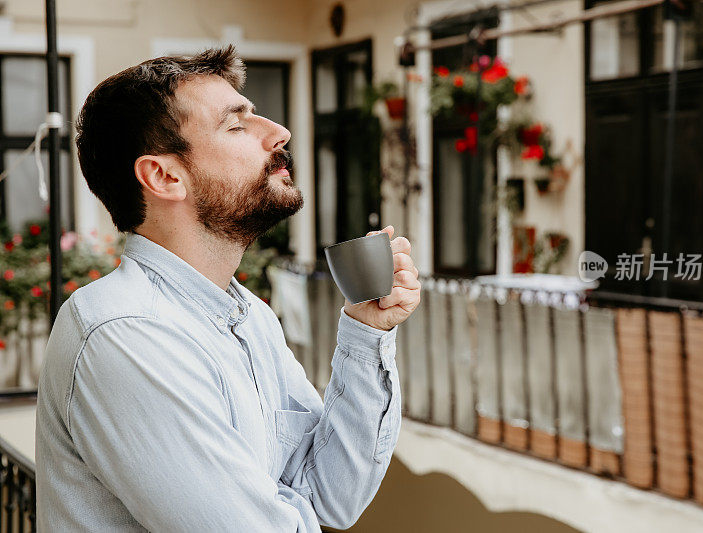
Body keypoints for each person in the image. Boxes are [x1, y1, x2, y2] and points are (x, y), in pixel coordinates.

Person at [35, 46, 421, 532]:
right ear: (164, 175)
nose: (279, 133)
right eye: (237, 124)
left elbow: (332, 496)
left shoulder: (249, 317)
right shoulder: (125, 332)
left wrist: (366, 330)